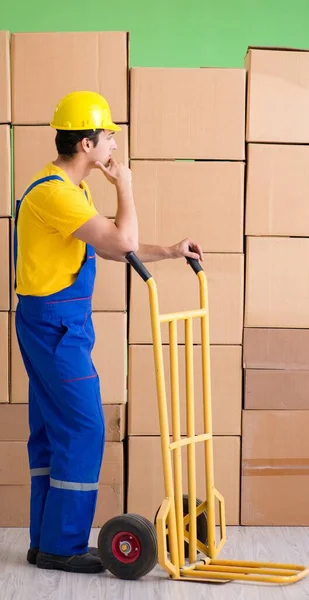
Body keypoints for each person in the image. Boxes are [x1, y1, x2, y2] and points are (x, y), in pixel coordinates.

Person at [14, 90, 203, 574]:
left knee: (53, 432)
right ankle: (63, 546)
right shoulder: (55, 193)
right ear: (86, 144)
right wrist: (127, 186)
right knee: (84, 428)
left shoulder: (69, 191)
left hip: (54, 323)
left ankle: (45, 542)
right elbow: (123, 239)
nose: (115, 142)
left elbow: (117, 247)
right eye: (108, 135)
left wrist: (171, 250)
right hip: (56, 327)